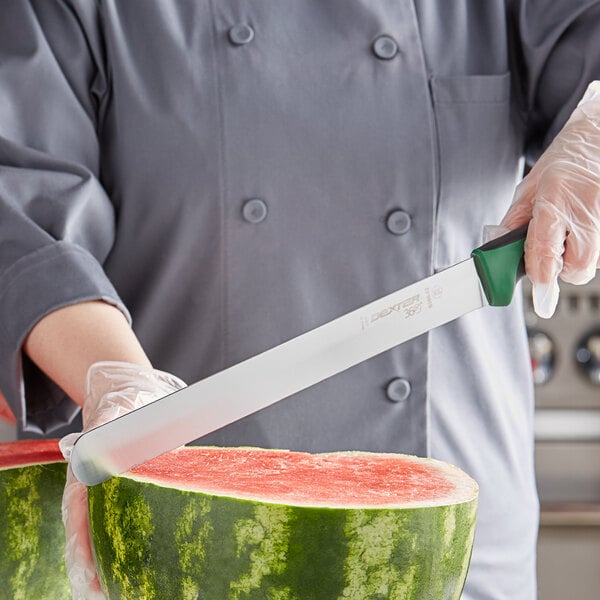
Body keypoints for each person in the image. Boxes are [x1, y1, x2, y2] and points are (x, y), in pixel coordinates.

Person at [1, 1, 599, 598]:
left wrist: (593, 135)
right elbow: (22, 203)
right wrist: (118, 384)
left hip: (454, 547)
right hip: (181, 542)